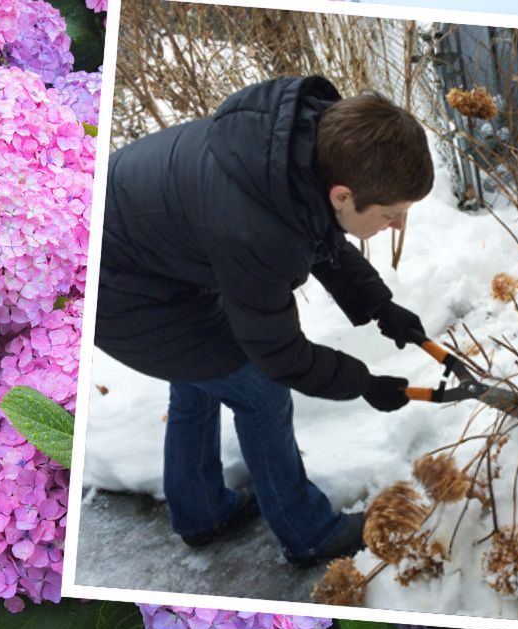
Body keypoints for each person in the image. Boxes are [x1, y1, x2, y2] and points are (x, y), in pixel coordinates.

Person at [94, 75, 434, 567]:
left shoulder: (298, 151)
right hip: (119, 293)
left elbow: (318, 233)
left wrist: (380, 306)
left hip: (149, 260)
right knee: (256, 387)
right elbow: (281, 356)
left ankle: (201, 511)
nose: (398, 225)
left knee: (200, 374)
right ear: (343, 194)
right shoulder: (258, 229)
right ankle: (308, 532)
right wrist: (363, 382)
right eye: (392, 214)